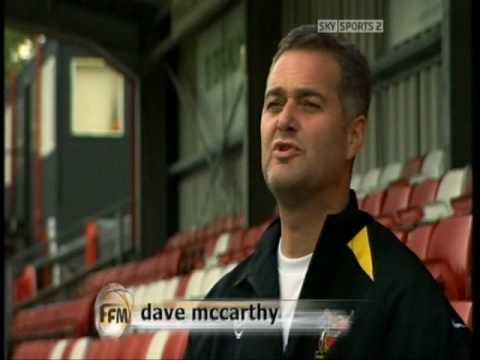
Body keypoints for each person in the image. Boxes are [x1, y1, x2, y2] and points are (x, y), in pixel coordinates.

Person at [185, 25, 471, 360]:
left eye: (309, 104)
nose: (285, 120)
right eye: (274, 104)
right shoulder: (222, 304)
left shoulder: (403, 294)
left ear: (353, 135)